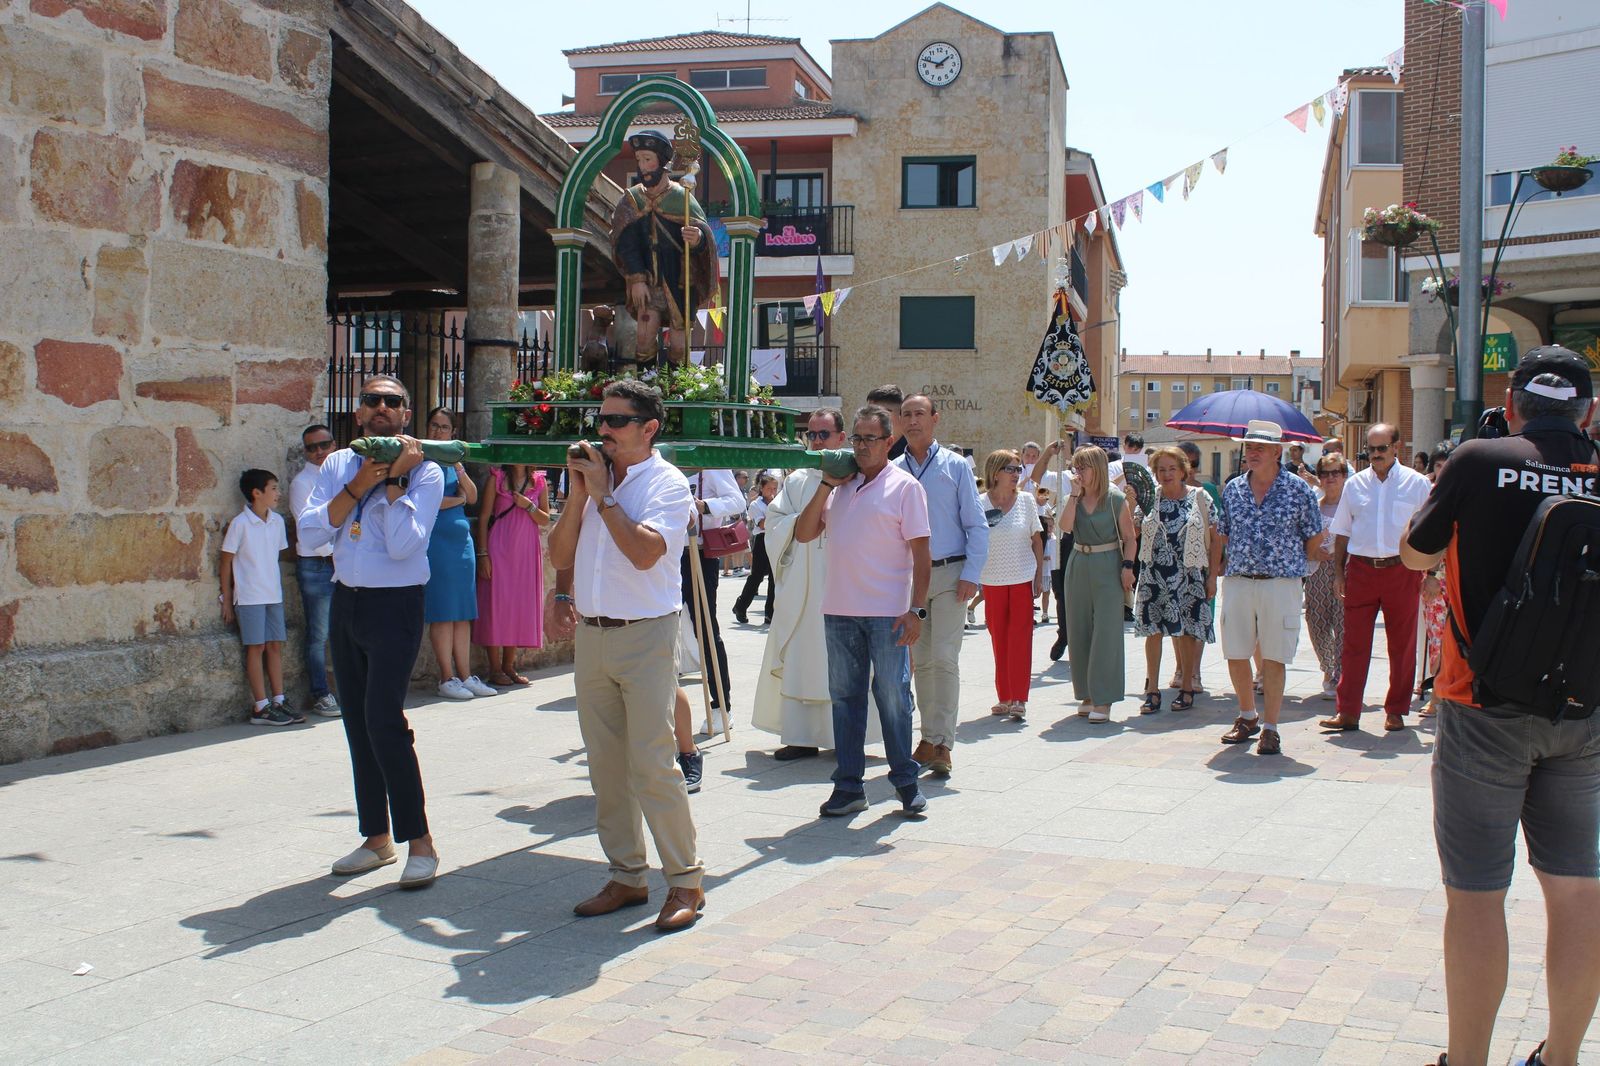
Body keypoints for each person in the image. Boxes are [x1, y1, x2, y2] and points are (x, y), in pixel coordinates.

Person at [1401, 346, 1600, 1066]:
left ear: (1513, 405)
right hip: (1584, 709)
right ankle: (1564, 1059)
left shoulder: (1481, 461)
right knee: (1579, 889)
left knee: (1479, 894)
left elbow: (1415, 556)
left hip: (1480, 702)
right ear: (1589, 411)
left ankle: (1467, 1061)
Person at [547, 379, 705, 933]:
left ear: (648, 428)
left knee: (653, 761)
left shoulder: (667, 484)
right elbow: (559, 551)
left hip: (646, 633)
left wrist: (604, 497)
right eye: (601, 420)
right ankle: (627, 875)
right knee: (605, 766)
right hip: (593, 634)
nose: (603, 431)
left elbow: (642, 554)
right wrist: (577, 496)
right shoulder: (590, 480)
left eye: (616, 421)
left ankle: (685, 880)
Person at [299, 373, 443, 889]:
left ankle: (420, 840)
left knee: (384, 720)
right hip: (347, 601)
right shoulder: (339, 464)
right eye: (372, 401)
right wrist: (360, 483)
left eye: (393, 402)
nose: (381, 408)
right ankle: (376, 838)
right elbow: (313, 530)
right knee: (357, 724)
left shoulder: (427, 471)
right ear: (358, 413)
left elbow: (406, 545)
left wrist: (393, 484)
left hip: (396, 604)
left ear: (407, 414)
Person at [795, 404, 930, 818]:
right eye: (856, 438)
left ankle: (905, 782)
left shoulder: (906, 488)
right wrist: (825, 484)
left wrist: (916, 611)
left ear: (890, 442)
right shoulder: (840, 487)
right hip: (839, 611)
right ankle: (849, 786)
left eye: (870, 439)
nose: (862, 446)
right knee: (845, 700)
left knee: (893, 698)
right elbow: (803, 534)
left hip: (888, 613)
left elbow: (922, 555)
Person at [752, 408, 883, 760]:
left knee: (847, 661)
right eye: (811, 435)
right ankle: (802, 736)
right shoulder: (797, 481)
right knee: (803, 654)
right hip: (805, 585)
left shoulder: (861, 476)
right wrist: (803, 520)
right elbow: (774, 522)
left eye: (824, 434)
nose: (816, 441)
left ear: (842, 438)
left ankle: (848, 737)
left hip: (847, 583)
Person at [1212, 421, 1327, 756]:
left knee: (1275, 656)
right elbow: (1224, 531)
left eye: (1260, 448)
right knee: (1235, 651)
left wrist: (1294, 569)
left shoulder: (1298, 489)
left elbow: (1314, 535)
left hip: (1280, 583)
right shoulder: (1233, 489)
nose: (1252, 453)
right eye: (1249, 447)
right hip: (1238, 580)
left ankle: (1271, 728)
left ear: (1278, 452)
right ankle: (1247, 715)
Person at [894, 394, 988, 775]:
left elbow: (977, 523)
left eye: (919, 414)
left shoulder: (955, 466)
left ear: (935, 418)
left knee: (945, 659)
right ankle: (927, 739)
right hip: (909, 578)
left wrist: (972, 574)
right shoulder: (894, 469)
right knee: (921, 661)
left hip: (950, 573)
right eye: (906, 415)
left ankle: (942, 743)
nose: (912, 421)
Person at [1321, 422, 1432, 734]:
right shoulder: (1355, 485)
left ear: (1397, 447)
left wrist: (1432, 573)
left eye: (1382, 448)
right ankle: (1347, 711)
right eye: (1370, 450)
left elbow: (1433, 530)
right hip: (1361, 570)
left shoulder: (1416, 483)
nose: (1376, 455)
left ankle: (1396, 710)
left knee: (1402, 645)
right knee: (1353, 644)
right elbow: (1342, 531)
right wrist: (1339, 573)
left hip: (1403, 570)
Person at [609, 129, 718, 365]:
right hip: (648, 280)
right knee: (645, 336)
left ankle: (678, 393)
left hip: (679, 280)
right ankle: (646, 387)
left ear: (661, 162)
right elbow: (626, 244)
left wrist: (697, 239)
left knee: (679, 345)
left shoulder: (682, 198)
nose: (643, 166)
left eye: (647, 159)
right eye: (639, 160)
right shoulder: (632, 200)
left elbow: (705, 241)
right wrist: (636, 279)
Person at [1132, 447, 1217, 715]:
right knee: (1153, 632)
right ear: (1155, 473)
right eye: (1161, 469)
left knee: (1186, 632)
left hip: (1188, 575)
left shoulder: (1200, 498)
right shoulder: (1149, 499)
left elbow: (1216, 540)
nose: (1167, 474)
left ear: (1183, 470)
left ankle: (1187, 687)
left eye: (1172, 469)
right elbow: (1132, 532)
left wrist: (1212, 576)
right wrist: (1129, 502)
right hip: (1153, 575)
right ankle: (1152, 690)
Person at [422, 408, 495, 701]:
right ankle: (446, 676)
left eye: (444, 427)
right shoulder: (422, 460)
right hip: (436, 543)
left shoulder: (453, 462)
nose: (438, 432)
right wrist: (458, 499)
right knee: (442, 612)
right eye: (434, 426)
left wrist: (460, 469)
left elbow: (473, 496)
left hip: (461, 542)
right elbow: (427, 501)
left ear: (453, 432)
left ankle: (466, 675)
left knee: (463, 612)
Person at [1060, 446, 1136, 723]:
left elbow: (1129, 537)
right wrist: (1073, 495)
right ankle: (1087, 693)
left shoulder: (1115, 499)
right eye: (1075, 467)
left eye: (1083, 467)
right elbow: (1065, 527)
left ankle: (1104, 698)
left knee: (1106, 631)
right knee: (1079, 629)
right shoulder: (1075, 498)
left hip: (1108, 564)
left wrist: (1128, 568)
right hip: (1079, 562)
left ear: (1098, 469)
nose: (1078, 473)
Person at [222, 469, 301, 727]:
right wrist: (227, 599)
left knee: (275, 645)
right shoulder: (240, 524)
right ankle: (261, 706)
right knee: (256, 648)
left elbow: (274, 556)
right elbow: (226, 562)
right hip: (249, 597)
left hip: (272, 594)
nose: (278, 493)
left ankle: (279, 699)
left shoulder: (277, 522)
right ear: (257, 493)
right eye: (274, 488)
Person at [978, 450, 1043, 721]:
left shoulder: (1027, 501)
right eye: (1011, 469)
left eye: (1018, 469)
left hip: (1021, 579)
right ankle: (1003, 696)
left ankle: (1019, 697)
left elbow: (1037, 540)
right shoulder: (979, 502)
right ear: (995, 472)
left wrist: (1039, 576)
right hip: (992, 580)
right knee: (999, 639)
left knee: (1020, 639)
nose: (1017, 474)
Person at [474, 464, 549, 686]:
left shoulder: (539, 481)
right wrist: (483, 554)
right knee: (496, 605)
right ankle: (494, 668)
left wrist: (528, 506)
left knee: (518, 606)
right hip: (499, 547)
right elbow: (484, 517)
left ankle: (509, 666)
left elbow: (545, 519)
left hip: (526, 550)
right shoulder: (496, 479)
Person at [288, 425, 340, 718]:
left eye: (324, 445)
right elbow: (308, 531)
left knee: (344, 630)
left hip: (339, 561)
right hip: (318, 564)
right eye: (312, 448)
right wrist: (338, 555)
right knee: (319, 633)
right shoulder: (301, 483)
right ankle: (321, 693)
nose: (319, 452)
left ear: (333, 444)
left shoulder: (338, 475)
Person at [684, 469, 742, 713]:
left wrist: (703, 505)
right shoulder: (659, 458)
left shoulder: (710, 465)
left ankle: (721, 705)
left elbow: (736, 501)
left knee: (705, 628)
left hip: (697, 553)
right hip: (663, 551)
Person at [1303, 452, 1347, 700]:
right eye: (1325, 473)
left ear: (1344, 475)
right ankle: (1328, 666)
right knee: (1316, 621)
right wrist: (1313, 551)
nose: (1330, 478)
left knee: (1343, 623)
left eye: (1335, 473)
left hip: (1346, 569)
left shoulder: (1353, 505)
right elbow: (1301, 536)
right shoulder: (1313, 505)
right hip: (1318, 570)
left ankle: (1339, 674)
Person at [1416, 442, 1455, 719]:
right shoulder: (1429, 495)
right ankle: (1438, 694)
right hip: (1436, 578)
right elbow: (1426, 540)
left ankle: (1451, 694)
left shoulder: (1465, 493)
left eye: (1447, 465)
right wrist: (1431, 575)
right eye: (1438, 466)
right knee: (1437, 638)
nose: (1442, 471)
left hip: (1463, 576)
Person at [1028, 437, 1076, 662]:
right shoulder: (1065, 478)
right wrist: (1047, 454)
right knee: (1061, 592)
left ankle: (1082, 639)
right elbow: (1036, 479)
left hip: (1094, 545)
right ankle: (1064, 634)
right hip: (1065, 541)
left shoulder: (1106, 485)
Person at [733, 472, 779, 625]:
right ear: (762, 488)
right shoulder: (755, 504)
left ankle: (770, 613)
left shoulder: (779, 502)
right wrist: (776, 514)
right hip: (762, 540)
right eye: (769, 488)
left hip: (777, 539)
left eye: (775, 488)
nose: (772, 492)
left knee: (775, 577)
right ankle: (741, 605)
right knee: (757, 576)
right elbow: (762, 524)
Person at [866, 383, 907, 460]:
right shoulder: (865, 452)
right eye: (868, 414)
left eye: (880, 414)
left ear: (901, 416)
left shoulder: (915, 454)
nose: (871, 420)